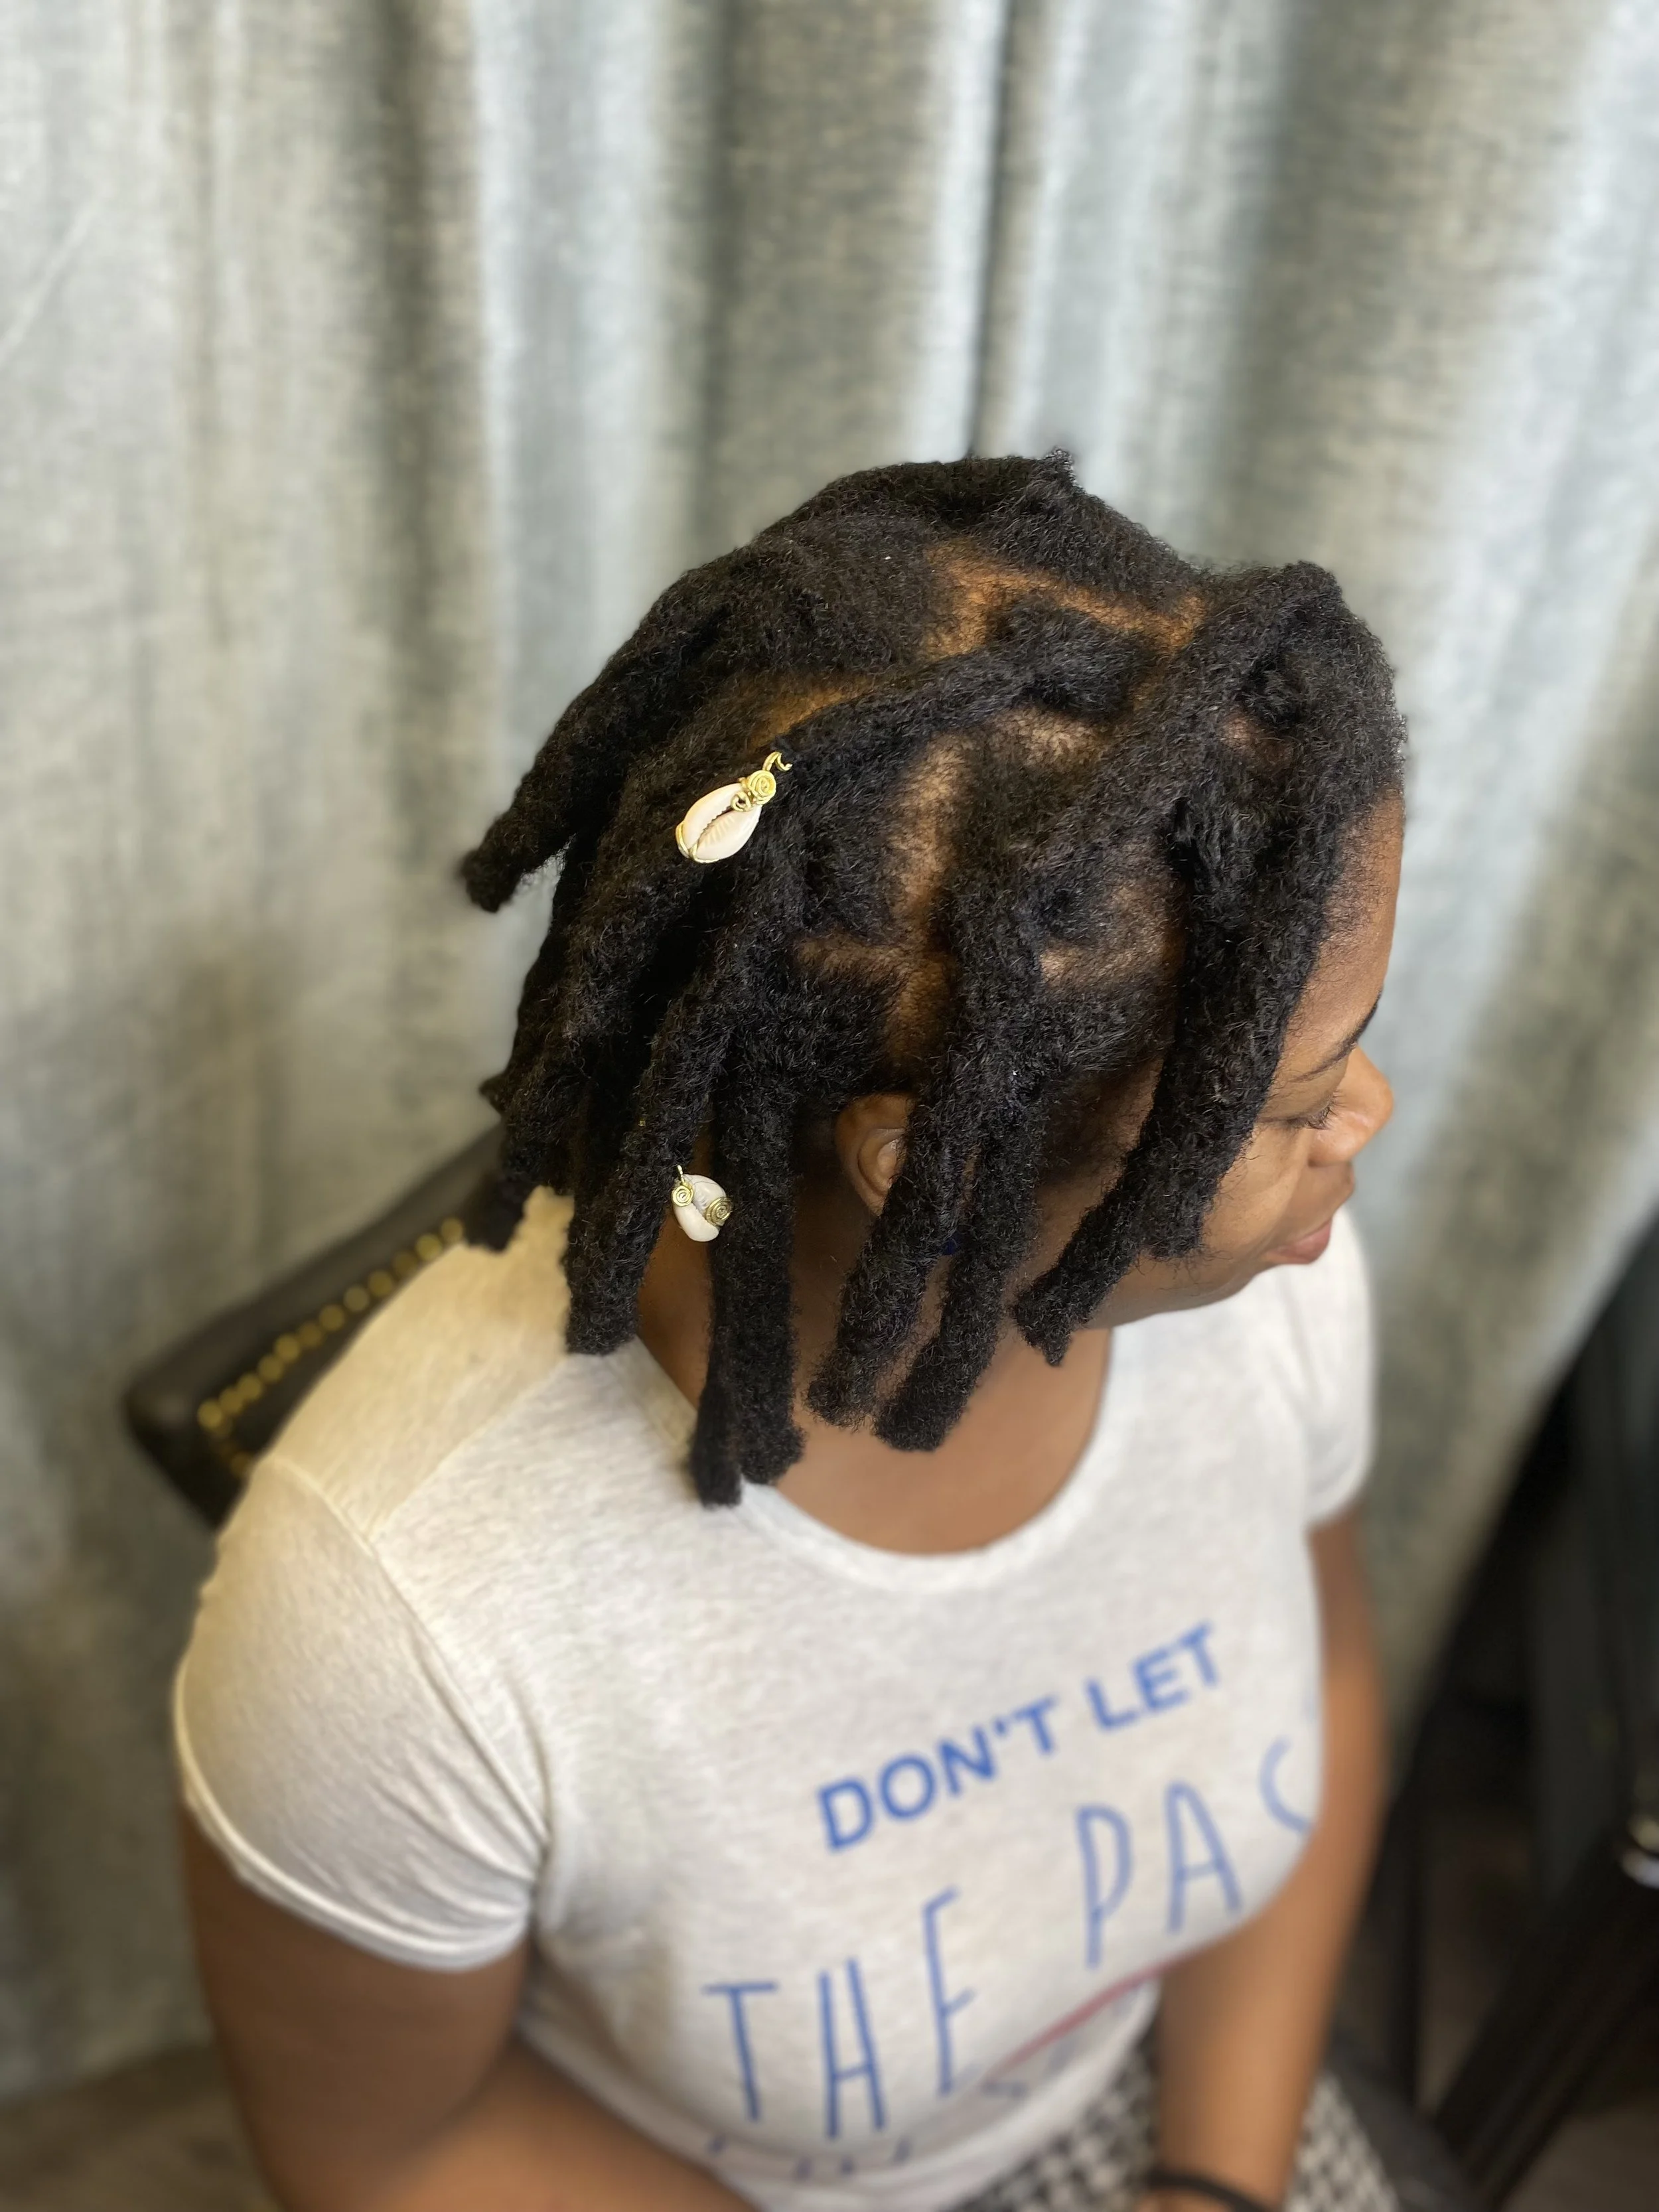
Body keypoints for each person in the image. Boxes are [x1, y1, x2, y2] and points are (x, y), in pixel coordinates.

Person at [175, 454, 1407, 2212]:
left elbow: (1335, 1683)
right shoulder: (392, 1619)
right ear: (934, 1167)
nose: (1367, 1111)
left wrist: (1214, 2179)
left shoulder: (1274, 1271)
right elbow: (395, 2149)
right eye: (1284, 1102)